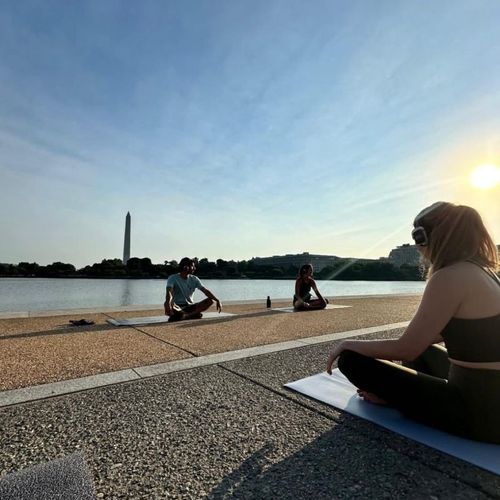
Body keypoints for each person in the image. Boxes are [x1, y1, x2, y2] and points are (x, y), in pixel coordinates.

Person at [326, 201, 500, 443]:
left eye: (419, 236)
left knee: (352, 361)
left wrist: (346, 344)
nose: (418, 247)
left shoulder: (449, 276)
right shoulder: (484, 272)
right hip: (490, 397)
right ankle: (400, 398)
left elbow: (406, 347)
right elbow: (467, 334)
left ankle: (396, 399)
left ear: (438, 236)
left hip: (480, 413)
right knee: (422, 353)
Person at [164, 257, 222, 322]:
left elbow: (205, 291)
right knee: (169, 304)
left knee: (210, 301)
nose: (194, 268)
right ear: (186, 267)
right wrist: (167, 303)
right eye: (193, 266)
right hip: (178, 307)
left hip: (191, 306)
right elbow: (169, 292)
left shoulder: (194, 279)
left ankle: (186, 315)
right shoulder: (173, 278)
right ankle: (190, 314)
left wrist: (217, 300)